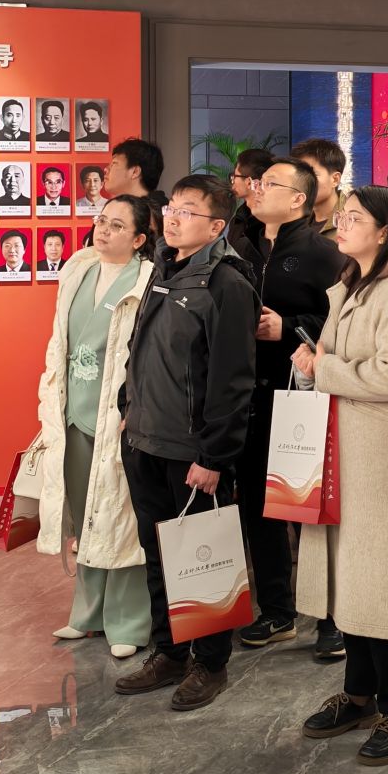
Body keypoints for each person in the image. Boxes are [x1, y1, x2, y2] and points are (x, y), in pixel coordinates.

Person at [291, 185, 388, 767]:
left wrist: (325, 367)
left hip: (384, 460)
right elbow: (341, 364)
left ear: (385, 231)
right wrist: (312, 365)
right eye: (343, 216)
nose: (342, 224)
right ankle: (359, 694)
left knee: (384, 585)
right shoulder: (354, 284)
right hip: (348, 453)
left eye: (355, 218)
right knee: (353, 578)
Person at [114, 175, 258, 711]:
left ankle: (211, 663)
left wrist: (214, 455)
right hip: (145, 439)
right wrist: (128, 407)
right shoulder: (162, 267)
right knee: (157, 553)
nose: (172, 218)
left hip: (194, 452)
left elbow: (233, 379)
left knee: (205, 558)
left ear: (216, 226)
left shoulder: (227, 283)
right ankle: (170, 652)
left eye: (188, 211)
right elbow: (141, 347)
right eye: (171, 208)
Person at [34, 195, 157, 660]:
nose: (103, 230)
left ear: (140, 239)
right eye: (101, 221)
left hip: (117, 414)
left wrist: (138, 406)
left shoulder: (147, 280)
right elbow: (59, 341)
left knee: (120, 515)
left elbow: (148, 353)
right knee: (85, 511)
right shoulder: (78, 269)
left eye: (117, 225)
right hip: (73, 410)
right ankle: (87, 613)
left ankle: (128, 619)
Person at [232, 159, 347, 658]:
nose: (256, 189)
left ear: (299, 198)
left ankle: (331, 618)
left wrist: (291, 326)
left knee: (308, 508)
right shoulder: (242, 247)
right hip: (247, 395)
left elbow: (343, 320)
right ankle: (277, 610)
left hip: (301, 396)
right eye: (256, 183)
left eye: (270, 184)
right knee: (258, 506)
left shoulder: (324, 254)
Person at [292, 137, 345, 245]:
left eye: (311, 174)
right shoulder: (297, 221)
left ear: (335, 179)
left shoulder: (353, 220)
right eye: (298, 175)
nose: (302, 182)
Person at [227, 147, 275, 254]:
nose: (232, 182)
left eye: (234, 177)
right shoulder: (239, 217)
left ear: (248, 182)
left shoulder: (272, 222)